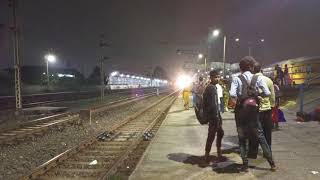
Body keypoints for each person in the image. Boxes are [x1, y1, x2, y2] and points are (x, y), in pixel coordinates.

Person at [229, 56, 276, 171]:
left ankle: (245, 164)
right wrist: (258, 96)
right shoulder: (257, 78)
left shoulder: (236, 79)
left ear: (241, 68)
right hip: (254, 112)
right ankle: (272, 164)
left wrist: (239, 101)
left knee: (242, 138)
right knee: (260, 136)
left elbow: (232, 94)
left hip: (240, 112)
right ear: (251, 67)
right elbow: (267, 92)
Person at [248, 62, 275, 159]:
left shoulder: (251, 80)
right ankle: (267, 152)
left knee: (254, 132)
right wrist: (271, 107)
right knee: (267, 132)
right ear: (260, 69)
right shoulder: (268, 80)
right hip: (267, 110)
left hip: (255, 110)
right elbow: (272, 97)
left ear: (253, 69)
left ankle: (252, 153)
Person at [203, 70, 224, 162]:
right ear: (211, 77)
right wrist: (216, 116)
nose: (218, 78)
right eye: (216, 77)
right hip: (214, 116)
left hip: (215, 115)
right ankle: (207, 155)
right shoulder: (211, 88)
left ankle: (217, 153)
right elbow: (212, 104)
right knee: (211, 135)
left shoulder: (212, 87)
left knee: (219, 133)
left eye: (218, 76)